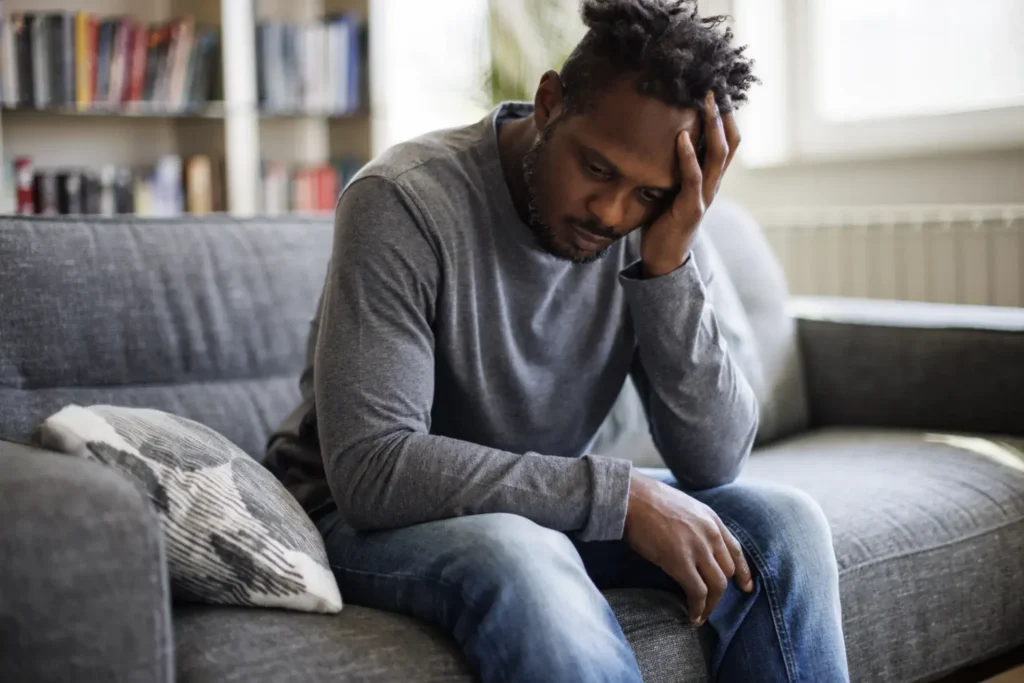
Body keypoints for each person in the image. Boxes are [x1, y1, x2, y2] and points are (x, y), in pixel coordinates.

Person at [265, 0, 850, 680]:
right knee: (521, 550)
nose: (611, 212)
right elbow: (372, 468)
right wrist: (619, 496)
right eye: (597, 169)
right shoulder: (403, 200)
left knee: (782, 525)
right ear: (549, 102)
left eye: (646, 194)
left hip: (531, 503)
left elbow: (714, 459)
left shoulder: (660, 225)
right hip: (357, 518)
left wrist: (667, 265)